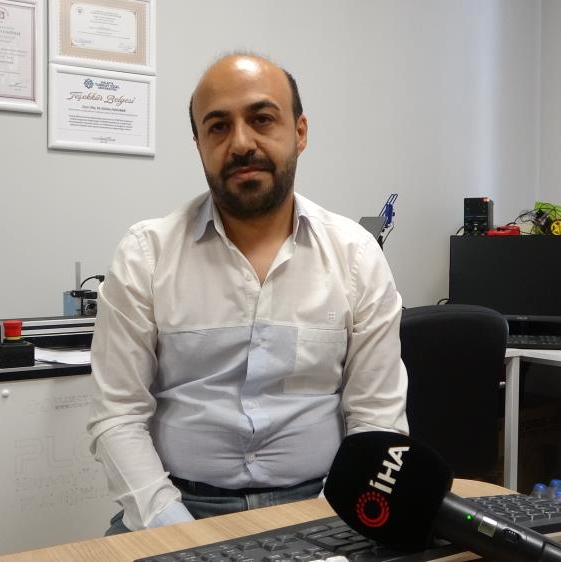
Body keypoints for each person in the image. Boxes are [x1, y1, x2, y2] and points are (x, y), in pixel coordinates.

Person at [87, 53, 408, 535]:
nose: (240, 143)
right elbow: (117, 416)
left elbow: (377, 419)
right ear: (199, 145)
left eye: (262, 119)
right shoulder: (145, 254)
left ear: (300, 132)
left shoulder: (357, 256)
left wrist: (323, 529)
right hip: (176, 506)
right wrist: (180, 534)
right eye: (217, 127)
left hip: (323, 503)